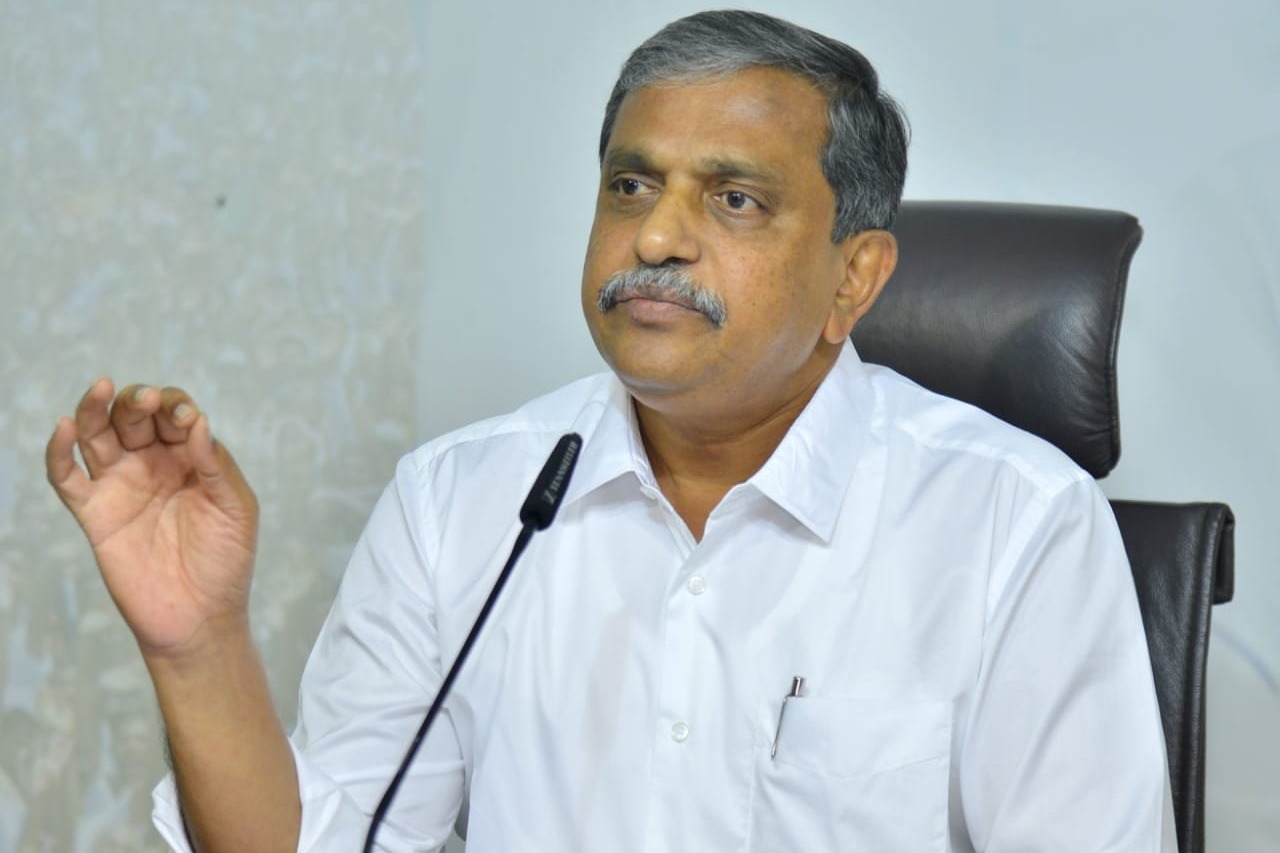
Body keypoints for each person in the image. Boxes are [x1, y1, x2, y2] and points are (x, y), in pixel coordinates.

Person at [46, 10, 1175, 852]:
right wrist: (198, 645)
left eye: (734, 199)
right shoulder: (460, 500)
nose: (658, 237)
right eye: (631, 186)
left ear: (855, 277)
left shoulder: (1011, 522)